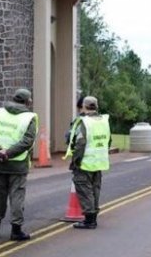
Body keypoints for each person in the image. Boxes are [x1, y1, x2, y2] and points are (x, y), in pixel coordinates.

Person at [0, 88, 37, 241]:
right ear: (28, 101)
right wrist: (9, 153)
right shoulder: (29, 117)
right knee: (17, 196)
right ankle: (16, 230)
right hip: (17, 165)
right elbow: (27, 141)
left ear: (12, 98)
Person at [65, 96, 111, 229]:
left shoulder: (83, 122)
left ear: (83, 107)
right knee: (95, 190)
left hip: (85, 162)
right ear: (96, 106)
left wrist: (75, 161)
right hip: (99, 161)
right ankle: (93, 217)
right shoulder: (104, 121)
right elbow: (108, 141)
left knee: (85, 190)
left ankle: (89, 220)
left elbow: (79, 143)